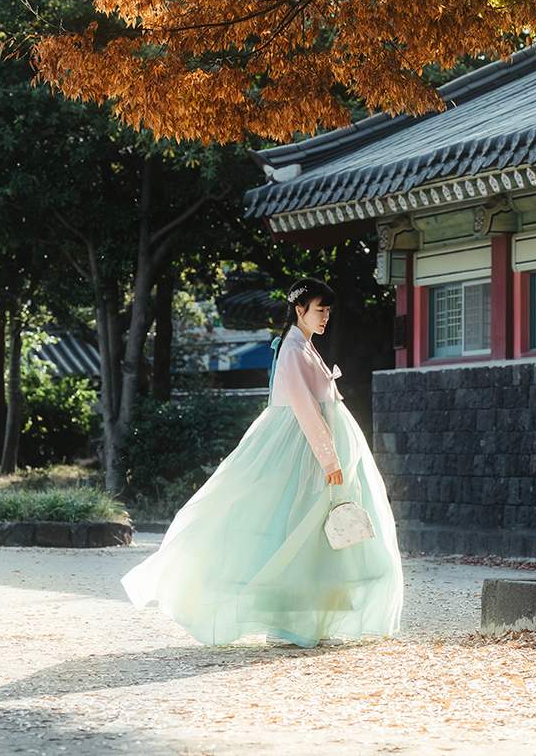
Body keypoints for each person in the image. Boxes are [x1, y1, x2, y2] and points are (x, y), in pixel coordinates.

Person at [120, 276, 404, 648]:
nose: (325, 317)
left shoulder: (303, 346)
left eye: (328, 311)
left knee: (310, 531)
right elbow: (304, 409)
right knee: (297, 526)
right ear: (300, 309)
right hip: (304, 450)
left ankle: (309, 617)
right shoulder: (292, 348)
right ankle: (288, 618)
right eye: (320, 310)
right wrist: (329, 458)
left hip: (314, 447)